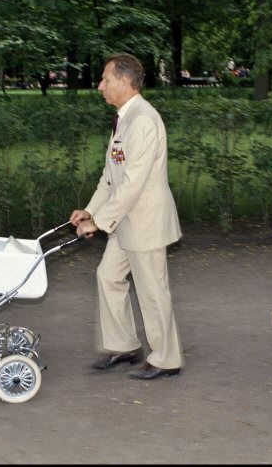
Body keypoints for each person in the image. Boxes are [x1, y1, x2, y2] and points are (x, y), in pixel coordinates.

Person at [70, 52, 183, 380]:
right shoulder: (125, 118)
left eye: (105, 79)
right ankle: (124, 346)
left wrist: (100, 222)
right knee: (108, 276)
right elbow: (110, 177)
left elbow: (133, 182)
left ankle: (165, 358)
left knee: (151, 290)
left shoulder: (144, 119)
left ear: (124, 80)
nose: (100, 86)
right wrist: (90, 210)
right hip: (125, 223)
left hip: (144, 222)